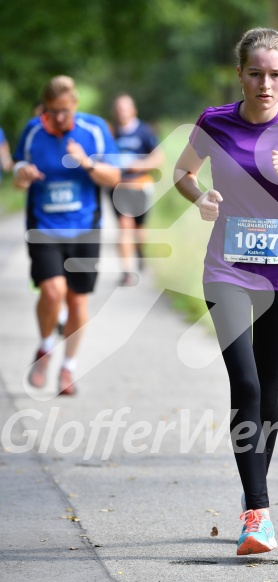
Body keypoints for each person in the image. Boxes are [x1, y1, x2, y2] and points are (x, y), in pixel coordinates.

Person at [174, 28, 278, 556]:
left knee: (267, 395)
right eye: (255, 73)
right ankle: (259, 513)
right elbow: (183, 172)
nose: (265, 83)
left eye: (275, 74)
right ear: (240, 74)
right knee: (246, 387)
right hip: (226, 272)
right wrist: (200, 197)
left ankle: (254, 506)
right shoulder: (215, 122)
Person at [13, 75, 120, 395]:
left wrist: (86, 162)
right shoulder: (33, 131)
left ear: (74, 104)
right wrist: (24, 174)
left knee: (76, 301)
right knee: (52, 291)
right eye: (51, 111)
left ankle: (68, 367)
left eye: (64, 110)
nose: (58, 117)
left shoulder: (94, 130)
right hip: (44, 227)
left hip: (85, 228)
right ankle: (46, 346)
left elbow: (114, 177)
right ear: (44, 107)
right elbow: (17, 174)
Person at [109, 93, 163, 285]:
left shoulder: (145, 131)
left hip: (140, 185)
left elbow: (158, 158)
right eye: (118, 109)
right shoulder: (111, 132)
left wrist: (136, 165)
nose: (121, 112)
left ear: (134, 110)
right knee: (125, 227)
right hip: (118, 187)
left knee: (139, 230)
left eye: (125, 108)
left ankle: (139, 251)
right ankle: (127, 272)